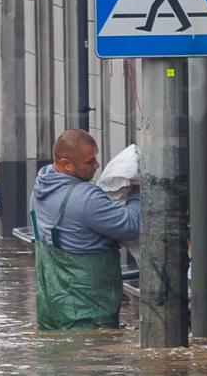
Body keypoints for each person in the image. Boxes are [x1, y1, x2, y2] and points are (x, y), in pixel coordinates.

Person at [30, 129, 140, 330]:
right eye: (89, 162)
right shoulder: (85, 198)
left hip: (50, 311)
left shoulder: (42, 184)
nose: (97, 165)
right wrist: (137, 189)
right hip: (88, 315)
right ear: (65, 165)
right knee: (93, 358)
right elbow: (132, 225)